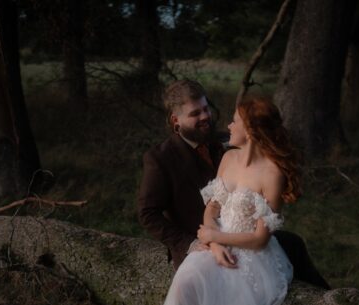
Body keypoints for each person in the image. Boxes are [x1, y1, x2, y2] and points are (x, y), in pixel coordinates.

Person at [108, 96, 299, 305]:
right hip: (215, 246)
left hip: (250, 257)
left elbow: (259, 238)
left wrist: (218, 237)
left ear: (252, 130)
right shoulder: (226, 157)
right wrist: (212, 241)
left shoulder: (273, 172)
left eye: (236, 121)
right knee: (183, 291)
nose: (227, 125)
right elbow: (211, 209)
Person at [137, 79, 329, 288]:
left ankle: (330, 300)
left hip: (239, 233)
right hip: (198, 238)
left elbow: (259, 156)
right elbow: (148, 214)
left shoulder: (224, 140)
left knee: (293, 243)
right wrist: (191, 243)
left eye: (205, 109)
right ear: (176, 120)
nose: (205, 117)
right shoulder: (160, 158)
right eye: (195, 114)